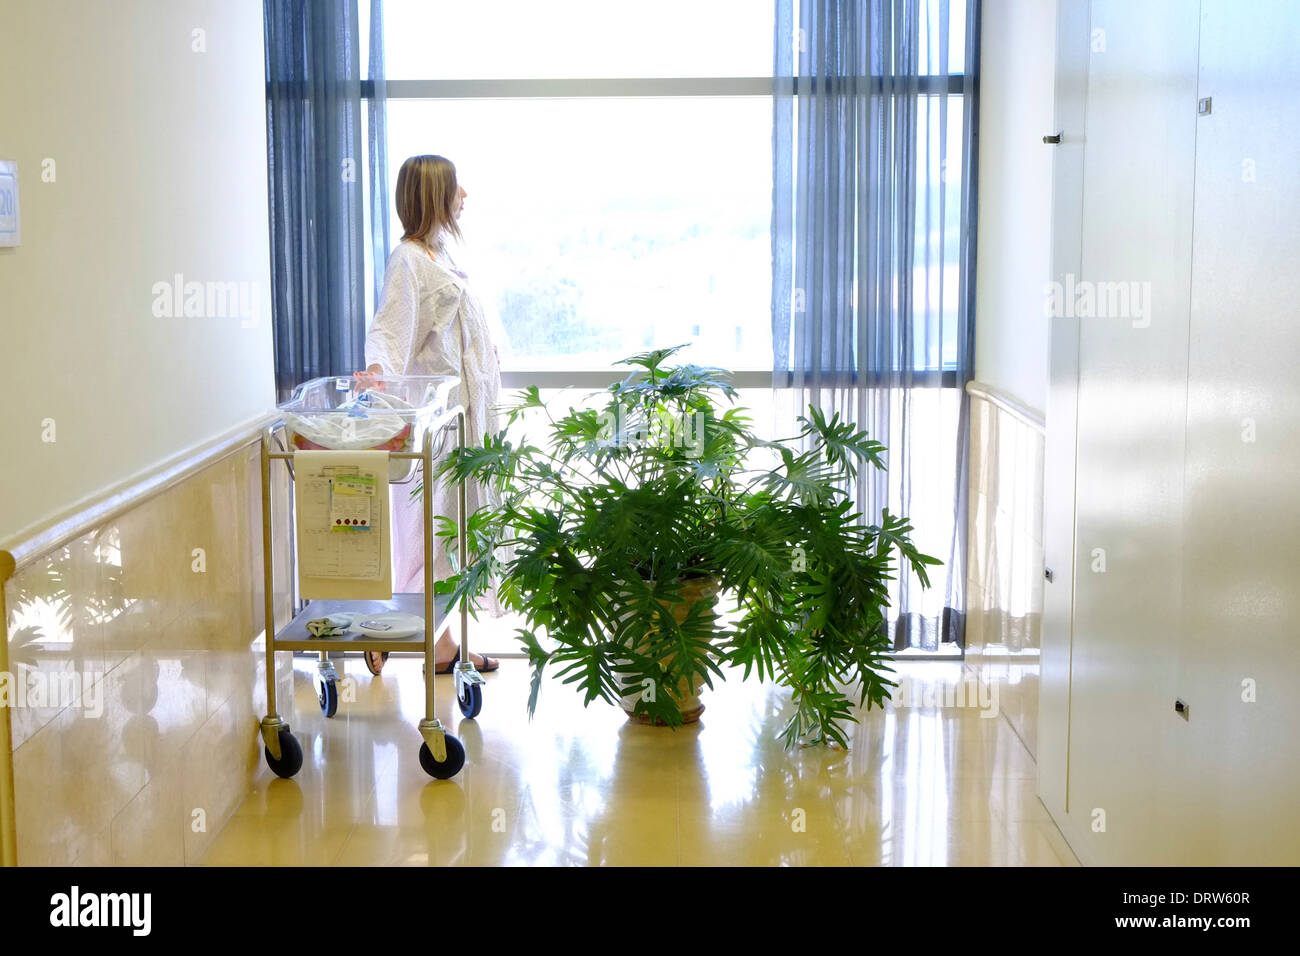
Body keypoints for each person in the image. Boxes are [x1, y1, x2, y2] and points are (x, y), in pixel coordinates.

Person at [357, 154, 501, 676]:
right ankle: (385, 631)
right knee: (437, 542)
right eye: (456, 188)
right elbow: (390, 330)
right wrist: (377, 373)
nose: (465, 196)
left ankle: (441, 648)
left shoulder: (437, 258)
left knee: (456, 538)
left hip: (467, 429)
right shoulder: (409, 262)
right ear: (436, 196)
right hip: (441, 434)